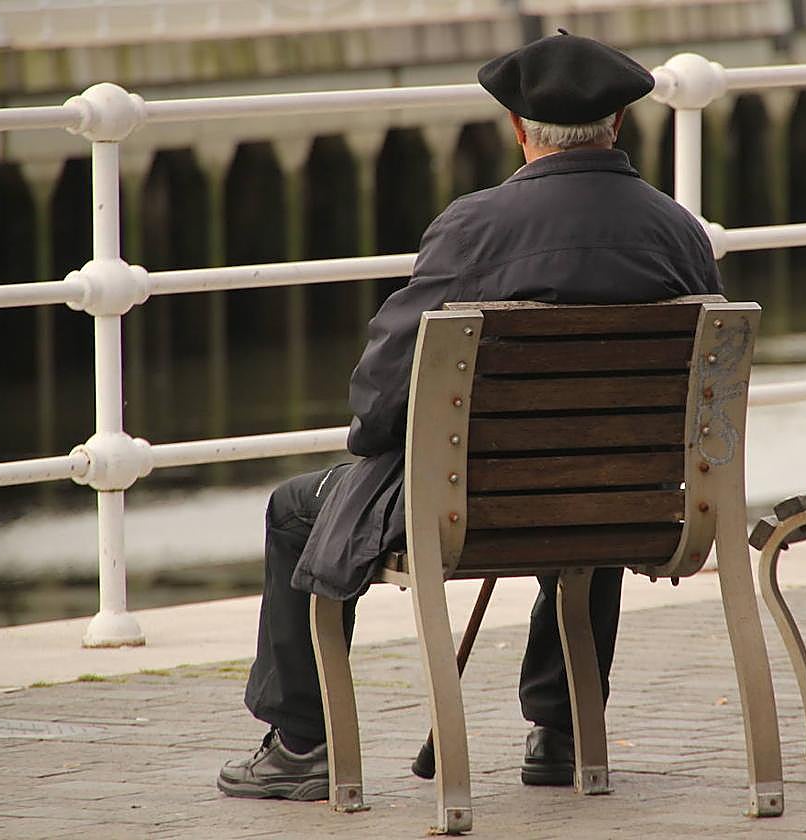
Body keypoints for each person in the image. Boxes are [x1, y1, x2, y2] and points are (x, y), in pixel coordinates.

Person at [217, 29, 723, 801]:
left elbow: (380, 399)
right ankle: (562, 733)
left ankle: (301, 744)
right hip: (633, 504)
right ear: (617, 125)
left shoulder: (474, 226)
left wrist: (377, 439)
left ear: (518, 128)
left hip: (469, 507)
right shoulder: (679, 233)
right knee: (599, 473)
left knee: (295, 508)